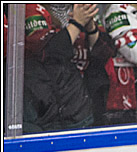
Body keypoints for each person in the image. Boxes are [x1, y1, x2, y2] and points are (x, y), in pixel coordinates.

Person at [23, 3, 116, 132]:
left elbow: (106, 53)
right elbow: (49, 54)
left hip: (86, 101)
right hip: (53, 106)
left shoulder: (80, 8)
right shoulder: (32, 9)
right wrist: (77, 23)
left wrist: (91, 28)